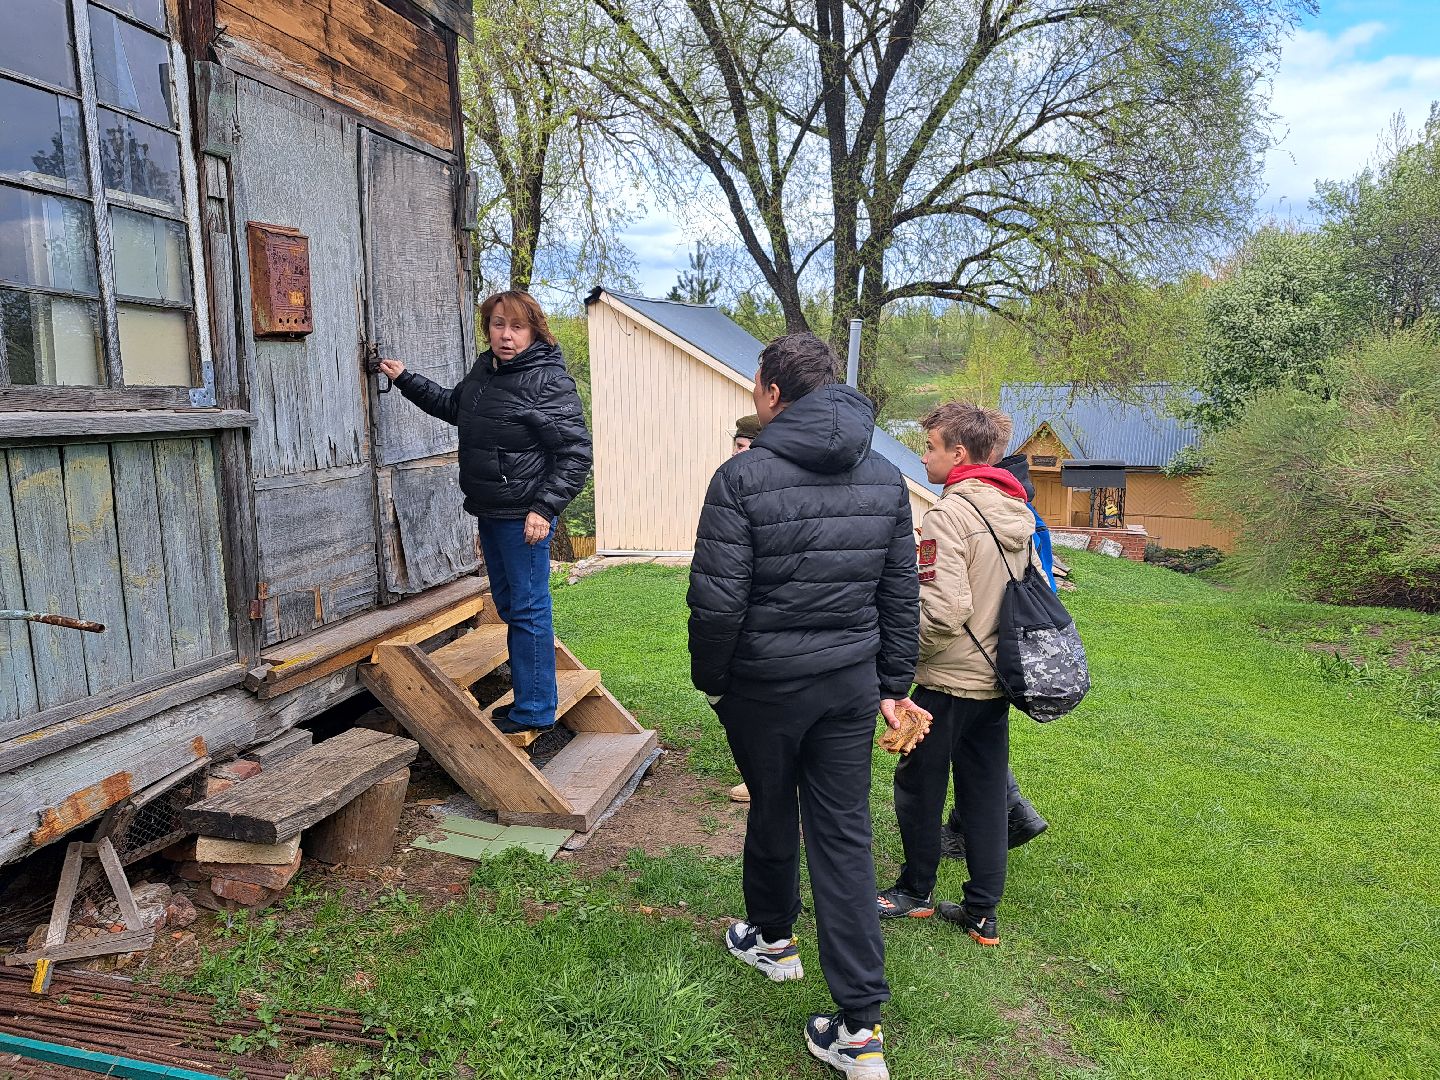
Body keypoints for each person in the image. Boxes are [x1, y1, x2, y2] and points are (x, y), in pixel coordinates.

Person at [688, 333, 924, 1080]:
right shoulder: (887, 476)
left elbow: (715, 604)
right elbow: (900, 592)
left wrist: (713, 680)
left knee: (770, 801)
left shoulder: (741, 477)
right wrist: (893, 683)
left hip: (766, 684)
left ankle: (774, 941)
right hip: (849, 684)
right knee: (844, 834)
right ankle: (855, 1026)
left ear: (771, 393)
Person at [376, 291, 591, 735]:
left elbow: (575, 454)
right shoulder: (485, 371)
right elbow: (454, 407)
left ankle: (534, 709)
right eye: (497, 324)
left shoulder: (547, 381)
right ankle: (533, 699)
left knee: (528, 609)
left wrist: (544, 508)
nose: (506, 335)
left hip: (524, 517)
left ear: (534, 331)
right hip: (489, 509)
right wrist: (405, 379)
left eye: (516, 327)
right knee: (513, 605)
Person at [876, 402, 1039, 948]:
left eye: (930, 447)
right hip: (998, 678)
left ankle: (914, 891)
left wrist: (900, 652)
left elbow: (943, 611)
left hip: (947, 682)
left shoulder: (948, 517)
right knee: (985, 793)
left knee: (918, 787)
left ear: (959, 453)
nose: (924, 457)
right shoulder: (1015, 509)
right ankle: (981, 912)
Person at [939, 420, 1050, 860]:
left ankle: (919, 881)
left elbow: (950, 606)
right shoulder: (1015, 495)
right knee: (978, 753)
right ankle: (984, 891)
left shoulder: (973, 503)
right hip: (1006, 644)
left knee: (944, 761)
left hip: (970, 650)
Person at [725, 413, 762, 806]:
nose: (741, 454)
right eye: (737, 447)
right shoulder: (731, 484)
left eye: (748, 447)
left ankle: (760, 775)